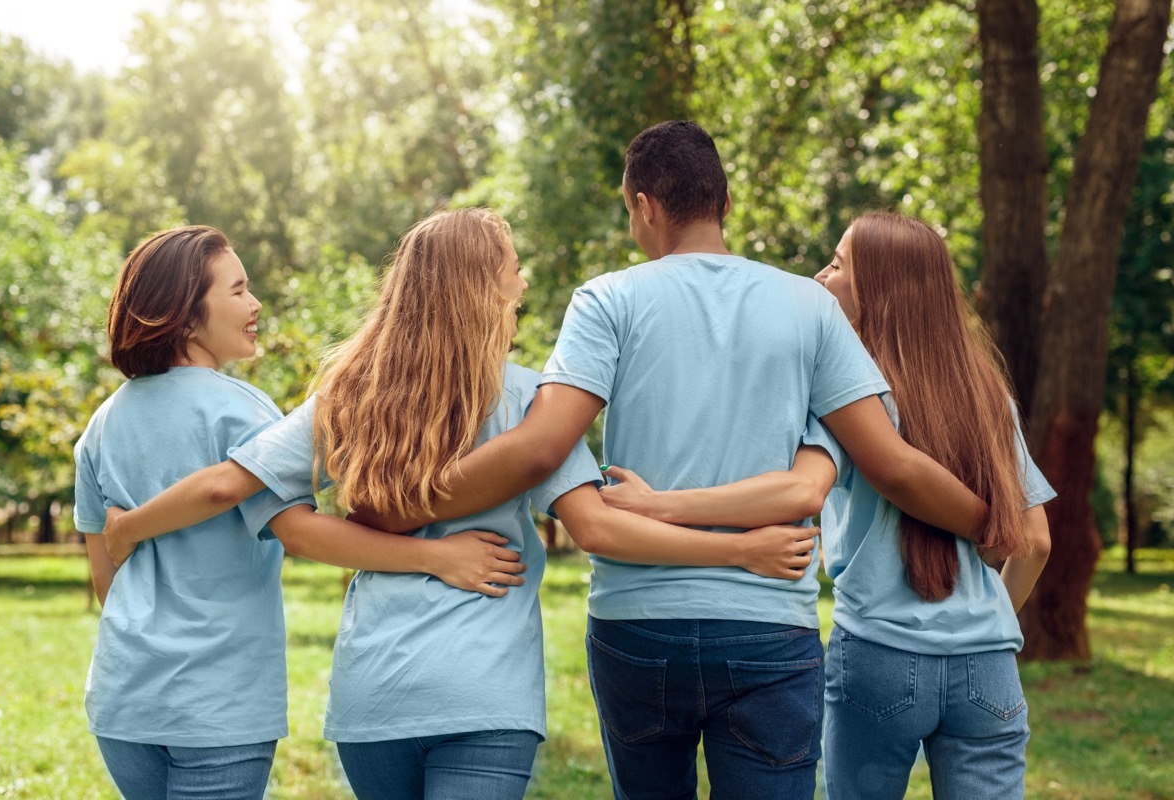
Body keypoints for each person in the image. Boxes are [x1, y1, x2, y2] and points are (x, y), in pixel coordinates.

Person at [348, 122, 991, 800]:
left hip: (638, 625)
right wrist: (989, 519)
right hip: (768, 628)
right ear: (726, 203)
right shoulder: (809, 305)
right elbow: (889, 463)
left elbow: (540, 446)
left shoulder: (608, 299)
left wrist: (401, 508)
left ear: (644, 206)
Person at [104, 208, 821, 800]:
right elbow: (598, 527)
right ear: (483, 285)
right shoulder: (530, 398)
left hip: (374, 694)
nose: (523, 279)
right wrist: (738, 547)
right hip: (484, 691)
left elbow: (288, 524)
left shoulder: (352, 391)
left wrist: (127, 527)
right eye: (512, 266)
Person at [598, 211, 1054, 800]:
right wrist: (990, 625)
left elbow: (795, 490)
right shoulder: (990, 397)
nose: (820, 274)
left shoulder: (853, 393)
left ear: (879, 291)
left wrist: (657, 504)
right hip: (988, 662)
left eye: (837, 264)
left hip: (880, 653)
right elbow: (1035, 540)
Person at [75, 226, 528, 800]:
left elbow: (104, 580)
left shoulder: (101, 424)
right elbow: (296, 531)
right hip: (216, 700)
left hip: (122, 697)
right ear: (186, 317)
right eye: (238, 291)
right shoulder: (242, 413)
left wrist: (130, 537)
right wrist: (433, 556)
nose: (255, 304)